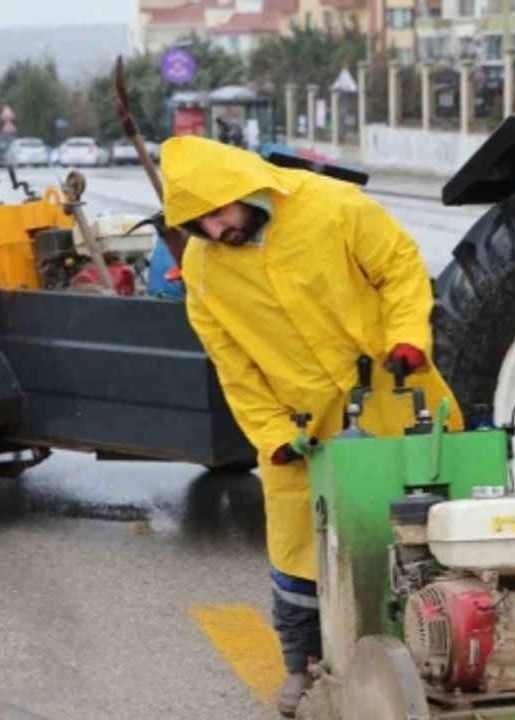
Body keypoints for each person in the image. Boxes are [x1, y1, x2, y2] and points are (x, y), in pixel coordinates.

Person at [161, 136, 462, 716]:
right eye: (198, 223)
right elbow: (235, 368)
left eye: (219, 212)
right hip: (304, 428)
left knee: (432, 522)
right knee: (299, 546)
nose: (215, 229)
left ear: (247, 188)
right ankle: (300, 667)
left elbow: (399, 265)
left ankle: (447, 646)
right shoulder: (202, 272)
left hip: (396, 391)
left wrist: (407, 336)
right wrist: (274, 436)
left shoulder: (332, 205)